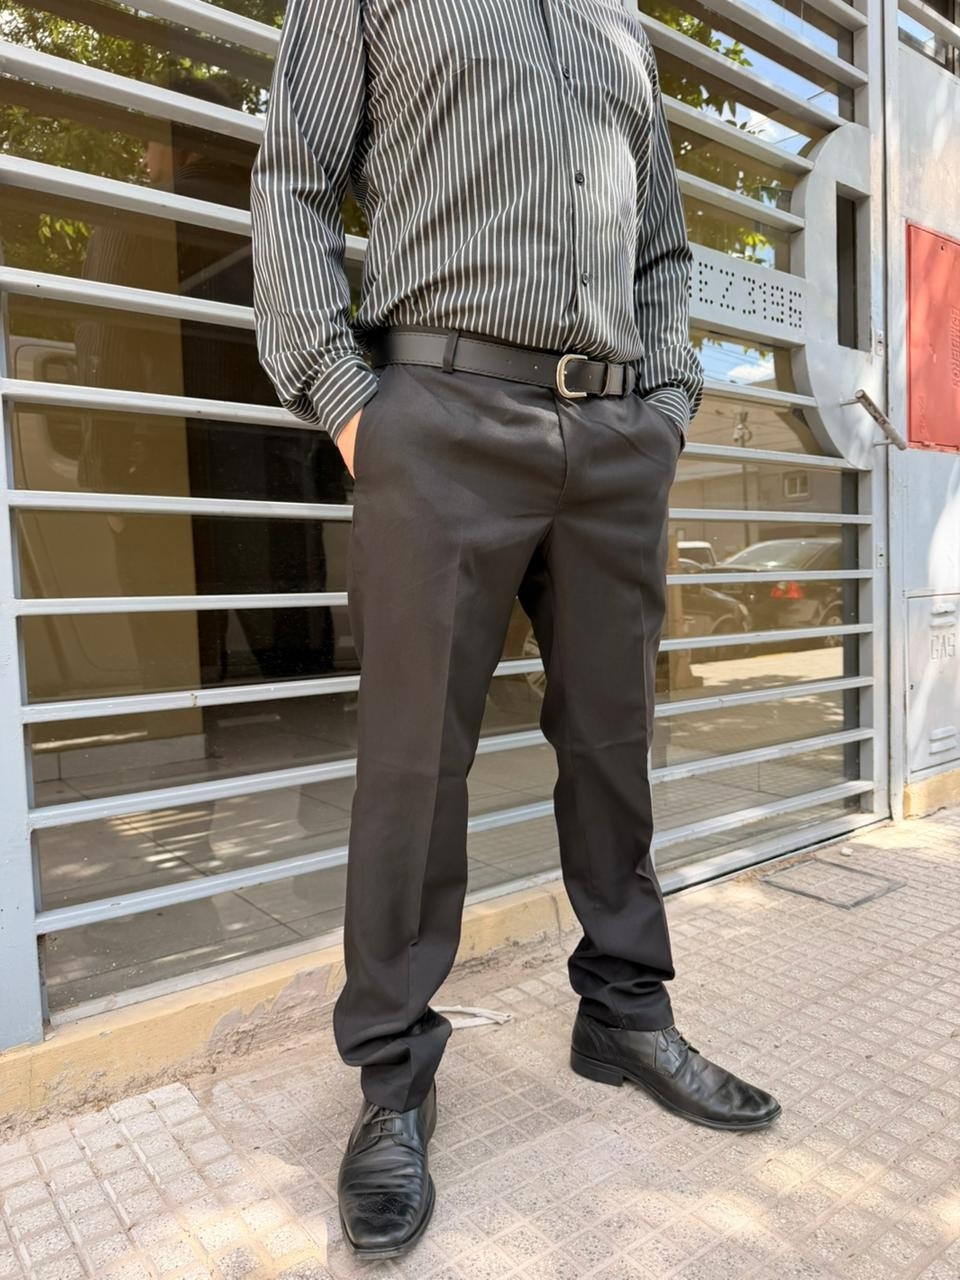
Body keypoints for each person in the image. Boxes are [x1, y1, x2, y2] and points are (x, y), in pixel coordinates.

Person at [250, 0, 781, 1260]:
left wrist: (665, 408)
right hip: (439, 417)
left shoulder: (618, 25)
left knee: (612, 742)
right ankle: (393, 1079)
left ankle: (626, 1012)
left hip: (614, 437)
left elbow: (662, 250)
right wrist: (349, 402)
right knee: (413, 766)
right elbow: (293, 181)